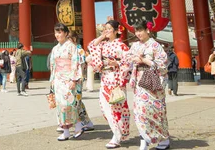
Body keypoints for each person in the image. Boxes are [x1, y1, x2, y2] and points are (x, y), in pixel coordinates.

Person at [127, 20, 170, 150]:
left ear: (148, 30)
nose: (138, 33)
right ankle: (144, 141)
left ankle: (164, 139)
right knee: (140, 111)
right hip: (139, 82)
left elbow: (163, 65)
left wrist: (144, 60)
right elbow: (128, 61)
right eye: (136, 31)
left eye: (141, 30)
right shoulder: (134, 45)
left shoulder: (155, 45)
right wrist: (132, 61)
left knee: (155, 112)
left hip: (152, 82)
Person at [88, 20, 129, 148]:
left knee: (116, 108)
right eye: (105, 28)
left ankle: (117, 135)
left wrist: (117, 64)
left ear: (117, 31)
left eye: (110, 29)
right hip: (105, 78)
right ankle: (116, 134)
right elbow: (92, 46)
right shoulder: (103, 45)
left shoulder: (122, 46)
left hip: (116, 78)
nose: (107, 31)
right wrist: (101, 36)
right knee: (105, 107)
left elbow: (128, 63)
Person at [49, 23, 83, 141]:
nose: (57, 35)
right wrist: (52, 80)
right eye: (56, 32)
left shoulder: (71, 46)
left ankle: (78, 125)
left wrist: (74, 79)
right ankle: (66, 131)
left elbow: (75, 62)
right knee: (60, 106)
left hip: (68, 79)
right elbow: (53, 65)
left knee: (69, 103)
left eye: (60, 32)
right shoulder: (55, 48)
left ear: (66, 33)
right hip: (58, 79)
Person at [68, 31, 94, 136]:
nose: (68, 40)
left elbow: (81, 66)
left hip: (77, 79)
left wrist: (77, 78)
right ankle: (86, 122)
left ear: (74, 38)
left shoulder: (79, 50)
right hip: (68, 78)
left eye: (69, 37)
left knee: (76, 101)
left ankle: (80, 122)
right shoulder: (68, 49)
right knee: (74, 101)